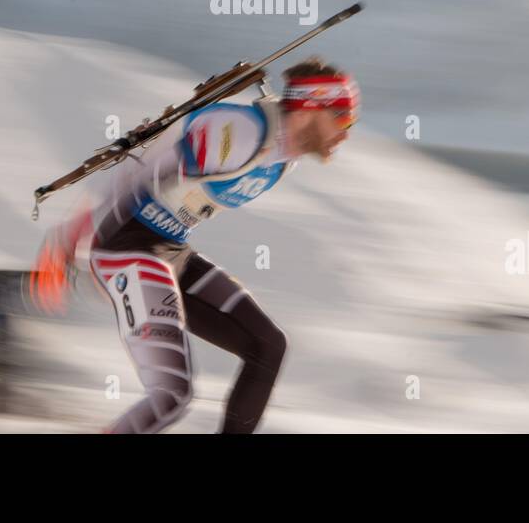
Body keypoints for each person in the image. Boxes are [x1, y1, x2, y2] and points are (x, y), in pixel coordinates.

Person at [31, 56, 358, 433]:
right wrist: (66, 241)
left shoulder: (285, 157)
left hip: (170, 248)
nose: (346, 132)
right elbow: (135, 172)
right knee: (172, 395)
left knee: (268, 346)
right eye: (343, 118)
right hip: (126, 247)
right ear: (310, 108)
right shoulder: (240, 134)